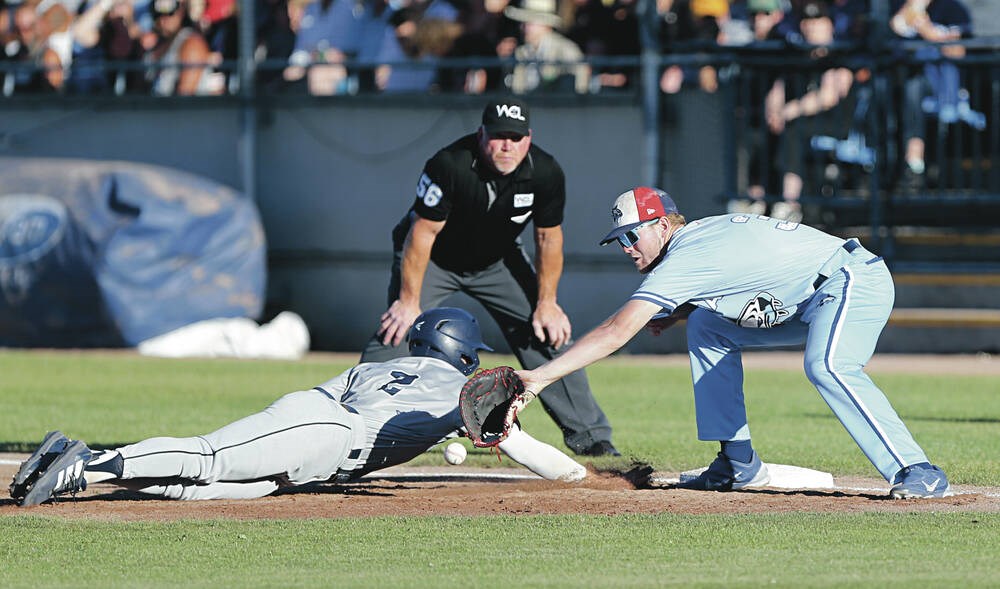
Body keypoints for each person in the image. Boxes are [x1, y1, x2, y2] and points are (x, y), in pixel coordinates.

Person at [512, 186, 953, 499]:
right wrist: (683, 311)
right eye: (619, 240)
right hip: (802, 298)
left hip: (852, 280)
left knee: (828, 366)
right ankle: (737, 463)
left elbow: (615, 331)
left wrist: (538, 377)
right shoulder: (696, 239)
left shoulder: (688, 255)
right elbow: (746, 268)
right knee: (706, 326)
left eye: (632, 236)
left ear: (662, 225)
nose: (626, 248)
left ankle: (917, 469)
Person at [10, 307, 587, 506]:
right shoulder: (465, 397)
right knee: (211, 460)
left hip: (315, 423)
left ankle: (87, 467)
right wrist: (579, 473)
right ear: (462, 349)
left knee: (208, 486)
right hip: (330, 435)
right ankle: (87, 464)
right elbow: (548, 463)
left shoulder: (381, 366)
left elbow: (324, 393)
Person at [360, 98, 619, 457]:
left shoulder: (545, 172)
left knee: (548, 333)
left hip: (497, 262)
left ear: (528, 138)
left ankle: (592, 439)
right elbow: (421, 235)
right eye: (498, 136)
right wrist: (408, 302)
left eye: (515, 137)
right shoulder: (450, 164)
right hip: (434, 259)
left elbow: (548, 238)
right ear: (482, 134)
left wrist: (547, 303)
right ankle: (356, 424)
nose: (507, 145)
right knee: (398, 332)